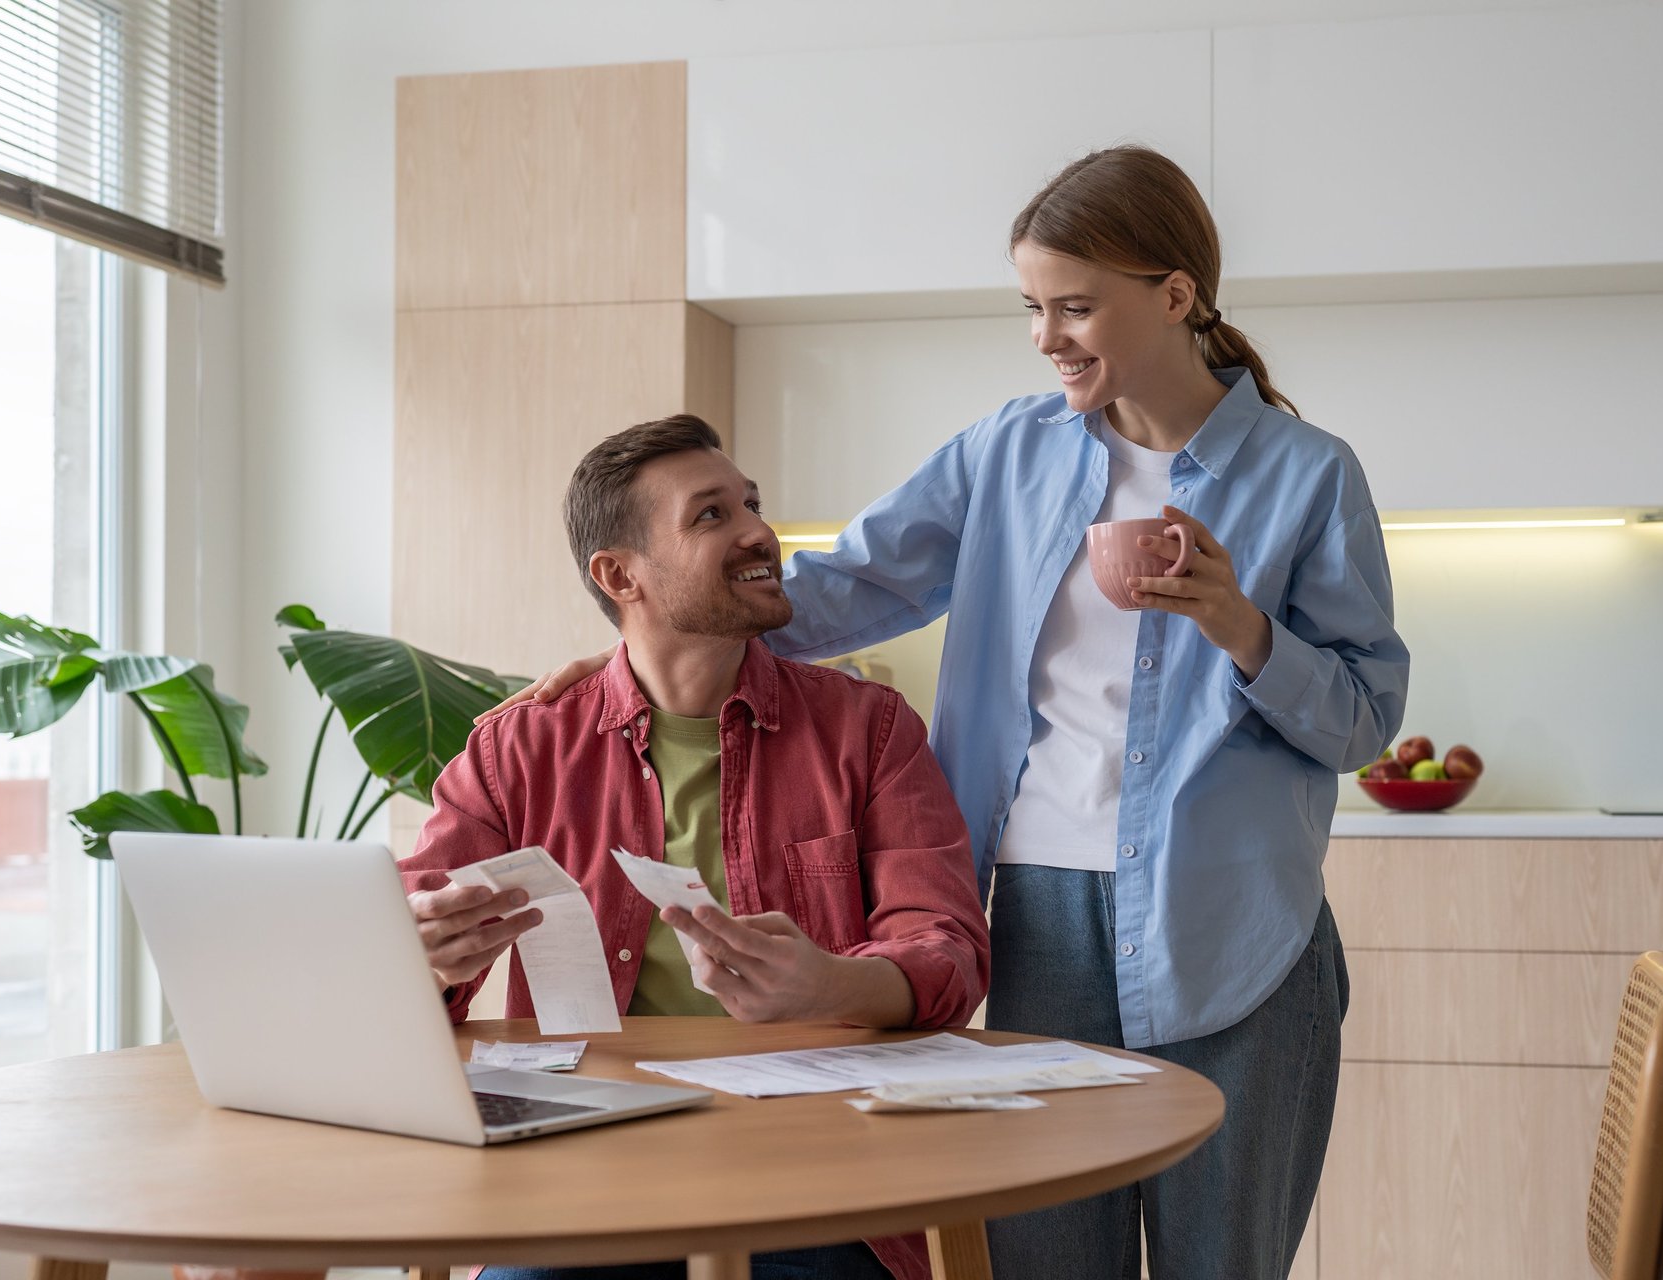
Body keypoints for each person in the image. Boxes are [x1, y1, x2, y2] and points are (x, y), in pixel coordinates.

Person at [484, 146, 1409, 1280]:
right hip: (1038, 911)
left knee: (1224, 1264)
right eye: (1031, 306)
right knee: (1041, 1260)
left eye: (1075, 305)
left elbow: (1364, 717)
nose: (1045, 334)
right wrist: (648, 633)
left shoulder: (1309, 475)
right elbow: (838, 588)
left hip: (1239, 925)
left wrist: (1240, 625)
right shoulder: (1008, 452)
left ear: (1174, 296)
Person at [400, 413, 990, 1280]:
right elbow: (398, 947)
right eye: (711, 515)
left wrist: (834, 983)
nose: (759, 531)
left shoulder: (869, 730)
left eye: (751, 503)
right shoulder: (517, 751)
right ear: (620, 575)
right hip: (580, 1186)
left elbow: (948, 948)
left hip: (823, 1184)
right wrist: (428, 957)